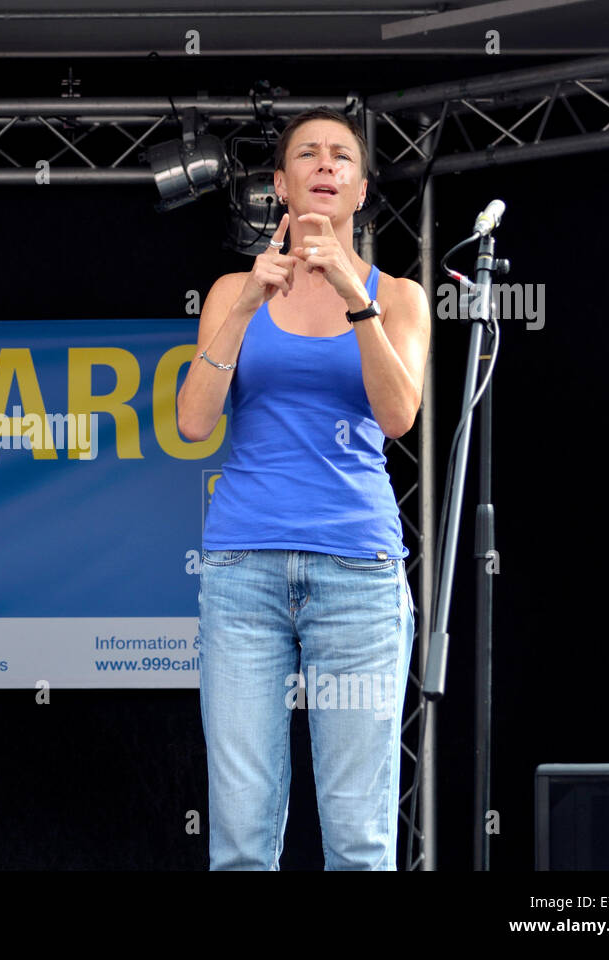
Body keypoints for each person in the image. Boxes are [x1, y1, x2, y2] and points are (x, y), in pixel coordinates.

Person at [177, 107, 431, 870]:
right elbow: (193, 423)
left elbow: (398, 416)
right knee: (242, 837)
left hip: (356, 573)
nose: (325, 164)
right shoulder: (233, 289)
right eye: (308, 155)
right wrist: (251, 302)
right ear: (281, 186)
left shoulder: (400, 296)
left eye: (342, 157)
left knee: (357, 835)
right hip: (242, 572)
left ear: (358, 189)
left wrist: (356, 297)